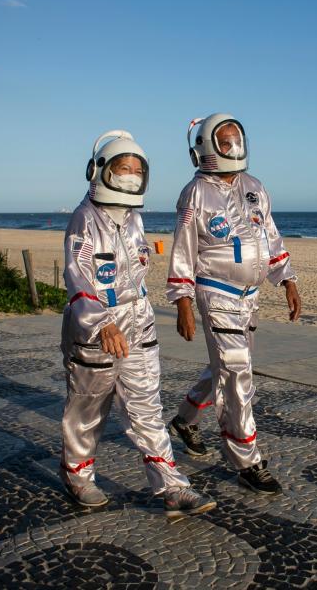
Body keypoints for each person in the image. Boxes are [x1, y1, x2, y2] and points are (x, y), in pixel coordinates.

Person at [60, 129, 215, 520]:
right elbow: (78, 275)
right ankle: (77, 475)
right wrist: (101, 323)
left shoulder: (133, 219)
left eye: (135, 169)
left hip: (138, 326)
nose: (129, 175)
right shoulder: (84, 220)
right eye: (121, 168)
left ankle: (172, 486)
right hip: (95, 331)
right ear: (100, 171)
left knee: (147, 406)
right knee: (88, 409)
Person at [166, 113, 301, 494]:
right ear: (208, 147)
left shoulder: (255, 186)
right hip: (216, 290)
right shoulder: (195, 194)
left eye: (237, 139)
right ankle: (247, 460)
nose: (234, 148)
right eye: (226, 142)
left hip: (250, 297)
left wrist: (288, 279)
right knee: (238, 374)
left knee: (226, 366)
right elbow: (183, 248)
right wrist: (182, 301)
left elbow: (270, 235)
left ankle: (186, 418)